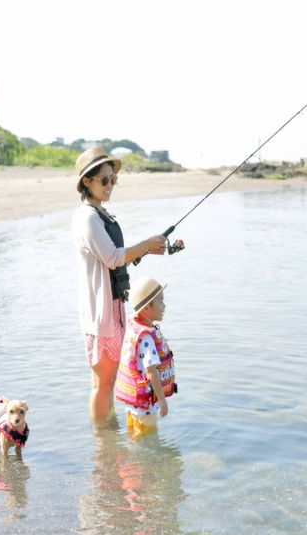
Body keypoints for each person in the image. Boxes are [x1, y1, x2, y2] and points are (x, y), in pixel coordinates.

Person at [73, 147, 167, 420]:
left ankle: (106, 439)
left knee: (109, 381)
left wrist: (147, 250)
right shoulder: (87, 217)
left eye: (113, 179)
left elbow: (114, 261)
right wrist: (146, 244)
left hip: (113, 306)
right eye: (104, 180)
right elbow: (113, 257)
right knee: (102, 383)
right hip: (99, 313)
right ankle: (102, 442)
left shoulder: (100, 214)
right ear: (87, 182)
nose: (110, 185)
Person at [115, 276, 176, 436]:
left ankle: (132, 461)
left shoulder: (134, 328)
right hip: (145, 406)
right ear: (146, 309)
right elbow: (151, 371)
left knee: (134, 437)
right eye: (160, 302)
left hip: (133, 402)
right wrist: (162, 400)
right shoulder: (147, 338)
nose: (164, 306)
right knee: (147, 439)